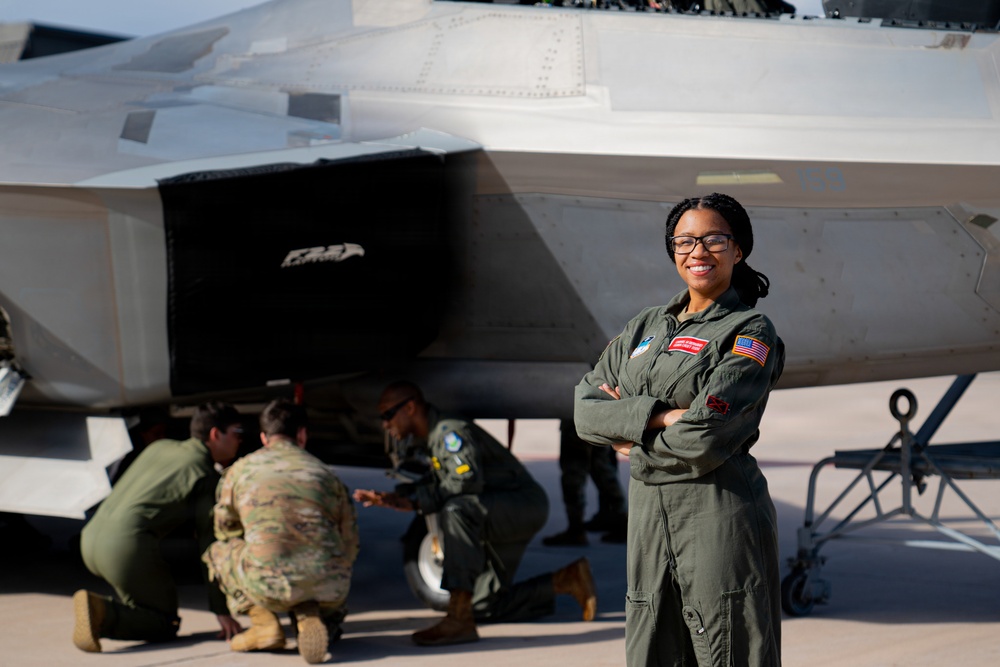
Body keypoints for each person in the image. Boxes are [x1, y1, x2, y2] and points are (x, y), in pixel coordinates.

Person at [574, 193, 784, 667]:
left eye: (714, 239)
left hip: (717, 515)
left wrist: (629, 436)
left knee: (727, 648)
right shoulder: (645, 327)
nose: (698, 252)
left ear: (739, 249)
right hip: (650, 521)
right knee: (652, 648)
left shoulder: (749, 331)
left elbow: (706, 436)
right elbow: (585, 411)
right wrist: (660, 416)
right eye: (685, 241)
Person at [353, 381, 597, 647]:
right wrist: (399, 499)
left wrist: (417, 501)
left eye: (387, 414)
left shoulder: (450, 433)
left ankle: (458, 619)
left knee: (456, 510)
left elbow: (464, 483)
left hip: (519, 506)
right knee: (482, 605)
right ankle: (565, 580)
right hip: (499, 508)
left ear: (410, 408)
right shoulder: (431, 439)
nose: (385, 424)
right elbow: (443, 483)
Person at [73, 402, 245, 653]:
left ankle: (105, 609)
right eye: (237, 434)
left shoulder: (160, 446)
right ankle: (102, 613)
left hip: (89, 539)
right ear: (215, 434)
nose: (240, 441)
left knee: (148, 597)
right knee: (164, 623)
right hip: (124, 548)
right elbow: (210, 547)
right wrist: (221, 609)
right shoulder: (204, 474)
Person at [203, 399, 359, 665]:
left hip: (268, 584)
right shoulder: (327, 474)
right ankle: (317, 615)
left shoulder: (241, 470)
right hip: (331, 586)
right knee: (324, 560)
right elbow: (350, 541)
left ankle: (263, 622)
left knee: (218, 551)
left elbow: (225, 529)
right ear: (302, 434)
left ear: (264, 437)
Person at [542, 419, 627, 546]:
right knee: (602, 469)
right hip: (599, 417)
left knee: (573, 472)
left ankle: (575, 529)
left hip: (576, 417)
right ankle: (623, 521)